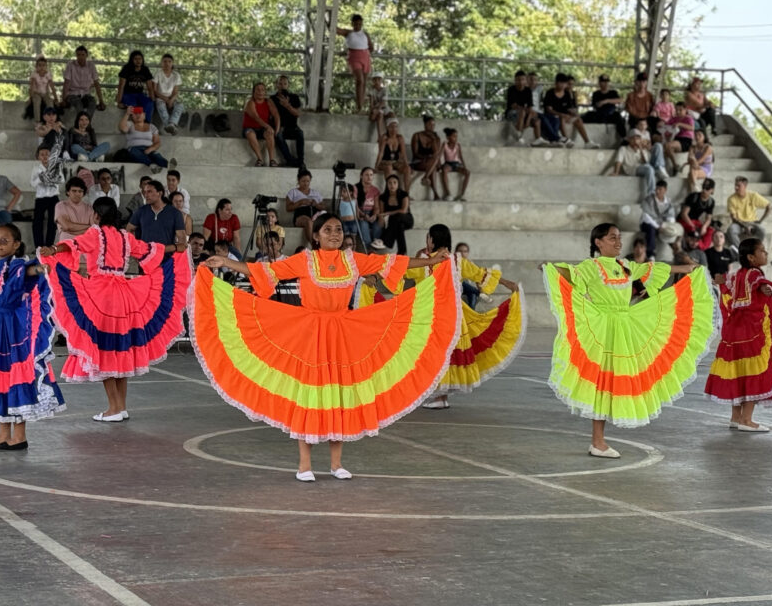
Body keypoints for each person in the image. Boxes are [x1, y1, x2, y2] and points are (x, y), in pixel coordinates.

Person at [189, 212, 459, 481]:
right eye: (327, 229)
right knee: (309, 398)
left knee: (338, 397)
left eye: (338, 229)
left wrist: (432, 260)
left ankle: (336, 463)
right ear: (315, 236)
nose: (334, 234)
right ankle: (304, 465)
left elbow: (392, 262)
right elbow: (263, 271)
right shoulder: (304, 261)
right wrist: (225, 261)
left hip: (343, 335)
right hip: (310, 336)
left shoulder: (352, 259)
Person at [542, 222, 715, 458]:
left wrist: (687, 269)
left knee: (616, 381)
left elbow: (653, 269)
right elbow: (570, 274)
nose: (618, 242)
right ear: (598, 242)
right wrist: (550, 269)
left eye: (619, 238)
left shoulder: (625, 266)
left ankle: (599, 441)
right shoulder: (591, 266)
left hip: (625, 326)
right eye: (612, 238)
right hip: (603, 328)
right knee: (602, 383)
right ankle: (598, 441)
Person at [39, 197, 191, 421]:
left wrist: (52, 249)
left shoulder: (95, 234)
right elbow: (150, 249)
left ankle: (113, 408)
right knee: (120, 349)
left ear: (96, 216)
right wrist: (176, 247)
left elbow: (72, 245)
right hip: (125, 295)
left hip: (101, 296)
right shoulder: (125, 237)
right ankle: (121, 406)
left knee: (105, 350)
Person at [0, 222, 65, 450]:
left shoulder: (18, 265)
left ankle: (19, 436)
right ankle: (2, 433)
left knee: (15, 376)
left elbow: (30, 271)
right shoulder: (0, 265)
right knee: (0, 378)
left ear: (16, 244)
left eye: (3, 241)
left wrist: (42, 267)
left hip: (13, 330)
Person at [407, 225, 525, 410]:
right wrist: (506, 282)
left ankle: (436, 395)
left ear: (432, 239)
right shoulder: (457, 260)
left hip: (430, 315)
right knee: (447, 354)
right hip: (454, 315)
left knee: (431, 354)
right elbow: (481, 274)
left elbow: (403, 271)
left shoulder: (423, 260)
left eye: (428, 237)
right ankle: (440, 396)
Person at [705, 237, 772, 430]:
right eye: (762, 250)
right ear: (752, 258)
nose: (766, 253)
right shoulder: (754, 274)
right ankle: (747, 420)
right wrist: (764, 288)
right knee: (754, 371)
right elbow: (759, 284)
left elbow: (726, 286)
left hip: (735, 332)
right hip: (752, 332)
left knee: (739, 372)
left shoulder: (738, 274)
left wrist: (721, 281)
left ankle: (736, 418)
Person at [609, 129, 668, 200]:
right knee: (649, 169)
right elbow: (619, 161)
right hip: (634, 169)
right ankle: (651, 194)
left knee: (658, 145)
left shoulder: (642, 149)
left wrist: (640, 149)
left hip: (646, 166)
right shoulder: (623, 149)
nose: (635, 140)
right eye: (633, 138)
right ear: (629, 140)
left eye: (637, 138)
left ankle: (660, 167)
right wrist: (616, 172)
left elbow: (645, 162)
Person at [126, 179, 186, 246]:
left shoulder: (175, 213)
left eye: (149, 192)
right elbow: (129, 229)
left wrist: (167, 249)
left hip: (166, 255)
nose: (146, 195)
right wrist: (136, 246)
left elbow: (182, 240)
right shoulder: (141, 211)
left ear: (160, 193)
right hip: (146, 255)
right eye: (145, 192)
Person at [337, 14, 373, 111]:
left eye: (360, 24)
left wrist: (367, 52)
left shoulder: (365, 34)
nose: (358, 26)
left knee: (365, 82)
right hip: (354, 57)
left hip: (365, 57)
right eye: (356, 24)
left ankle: (361, 106)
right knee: (359, 80)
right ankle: (359, 107)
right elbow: (336, 30)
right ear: (352, 24)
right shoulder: (349, 33)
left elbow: (371, 46)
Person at [61, 45, 107, 122]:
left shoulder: (91, 65)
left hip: (85, 94)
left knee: (92, 102)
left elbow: (96, 83)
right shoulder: (71, 65)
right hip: (72, 93)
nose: (80, 57)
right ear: (76, 56)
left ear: (86, 55)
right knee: (78, 104)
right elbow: (66, 83)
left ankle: (85, 124)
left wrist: (101, 100)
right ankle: (83, 126)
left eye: (83, 55)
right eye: (78, 55)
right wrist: (64, 99)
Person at [241, 82, 280, 167]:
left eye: (262, 90)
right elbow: (256, 117)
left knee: (270, 134)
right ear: (253, 92)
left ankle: (272, 160)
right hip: (250, 128)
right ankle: (260, 159)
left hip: (261, 129)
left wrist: (277, 130)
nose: (260, 92)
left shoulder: (268, 102)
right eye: (257, 90)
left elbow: (276, 114)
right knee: (250, 133)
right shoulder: (250, 102)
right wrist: (268, 126)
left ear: (265, 92)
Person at [30, 146, 62, 249]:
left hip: (53, 197)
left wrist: (52, 177)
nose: (45, 157)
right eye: (42, 155)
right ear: (38, 156)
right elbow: (32, 184)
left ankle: (49, 245)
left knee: (53, 223)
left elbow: (62, 180)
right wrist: (41, 178)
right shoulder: (36, 169)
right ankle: (38, 246)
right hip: (40, 198)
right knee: (37, 222)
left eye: (47, 154)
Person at [118, 106, 168, 171]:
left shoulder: (152, 126)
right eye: (135, 113)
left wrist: (151, 149)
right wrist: (127, 114)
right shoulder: (130, 124)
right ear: (132, 116)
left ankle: (168, 166)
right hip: (134, 149)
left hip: (148, 149)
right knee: (133, 152)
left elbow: (157, 142)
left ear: (144, 115)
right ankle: (151, 164)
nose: (138, 115)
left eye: (140, 113)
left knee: (157, 155)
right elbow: (122, 128)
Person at [638, 180, 678, 259]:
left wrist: (667, 225)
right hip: (647, 223)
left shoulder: (668, 202)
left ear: (665, 190)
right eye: (656, 189)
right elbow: (646, 216)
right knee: (651, 230)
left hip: (662, 224)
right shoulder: (649, 199)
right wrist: (657, 227)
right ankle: (650, 254)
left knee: (672, 231)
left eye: (660, 189)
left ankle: (676, 251)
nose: (657, 191)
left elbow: (671, 216)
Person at [727, 176, 771, 247]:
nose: (736, 188)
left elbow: (769, 206)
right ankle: (740, 251)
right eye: (735, 185)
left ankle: (755, 249)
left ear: (745, 186)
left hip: (752, 222)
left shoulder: (753, 195)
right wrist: (745, 226)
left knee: (762, 230)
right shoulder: (731, 199)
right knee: (731, 230)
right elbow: (733, 218)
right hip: (739, 223)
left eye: (738, 186)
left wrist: (760, 221)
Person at [271, 75, 305, 168]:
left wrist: (287, 106)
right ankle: (290, 160)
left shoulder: (294, 97)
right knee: (279, 135)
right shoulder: (272, 99)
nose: (282, 86)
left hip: (292, 127)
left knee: (300, 133)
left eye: (285, 84)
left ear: (288, 85)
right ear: (276, 85)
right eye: (280, 83)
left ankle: (301, 161)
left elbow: (298, 113)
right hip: (279, 127)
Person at [505, 70, 544, 146]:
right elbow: (514, 106)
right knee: (522, 112)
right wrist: (524, 110)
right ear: (515, 81)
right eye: (518, 80)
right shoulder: (511, 90)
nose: (520, 82)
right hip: (512, 113)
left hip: (525, 113)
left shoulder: (528, 91)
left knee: (537, 120)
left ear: (525, 80)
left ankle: (538, 139)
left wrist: (527, 121)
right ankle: (519, 136)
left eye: (522, 79)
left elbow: (530, 107)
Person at [581, 74, 625, 140]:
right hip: (600, 115)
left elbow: (620, 100)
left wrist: (606, 101)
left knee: (618, 117)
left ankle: (624, 138)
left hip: (611, 115)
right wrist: (600, 104)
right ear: (600, 83)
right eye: (604, 82)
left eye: (607, 82)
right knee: (588, 115)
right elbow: (596, 105)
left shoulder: (613, 92)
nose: (606, 83)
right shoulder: (596, 94)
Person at [285, 169, 324, 243]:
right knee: (308, 222)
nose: (306, 184)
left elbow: (324, 207)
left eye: (308, 181)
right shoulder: (293, 192)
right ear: (298, 180)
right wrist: (300, 202)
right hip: (300, 215)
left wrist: (316, 204)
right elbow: (288, 208)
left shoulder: (315, 193)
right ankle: (313, 245)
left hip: (315, 214)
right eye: (303, 181)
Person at [377, 173, 412, 255]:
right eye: (390, 183)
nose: (392, 185)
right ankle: (402, 252)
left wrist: (389, 213)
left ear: (398, 184)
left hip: (406, 219)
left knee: (397, 216)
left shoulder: (403, 194)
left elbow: (404, 210)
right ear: (387, 184)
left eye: (394, 182)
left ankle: (385, 240)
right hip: (394, 222)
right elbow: (382, 213)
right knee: (399, 226)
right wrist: (381, 219)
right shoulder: (383, 197)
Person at [410, 115, 443, 200]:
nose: (432, 127)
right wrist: (425, 158)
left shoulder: (436, 138)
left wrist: (433, 140)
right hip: (418, 162)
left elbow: (436, 153)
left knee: (434, 165)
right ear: (425, 125)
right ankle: (434, 192)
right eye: (430, 124)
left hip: (430, 163)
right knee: (433, 165)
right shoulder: (416, 135)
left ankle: (426, 178)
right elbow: (415, 153)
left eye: (433, 125)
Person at [115, 50, 155, 120]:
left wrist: (153, 99)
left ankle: (146, 123)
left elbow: (150, 87)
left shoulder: (145, 69)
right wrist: (119, 102)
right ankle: (138, 123)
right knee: (133, 106)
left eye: (140, 59)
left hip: (140, 94)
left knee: (149, 103)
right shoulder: (126, 68)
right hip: (128, 94)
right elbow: (121, 86)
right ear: (132, 60)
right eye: (135, 59)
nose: (138, 61)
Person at [54, 177, 95, 244]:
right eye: (74, 191)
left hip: (84, 246)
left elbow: (93, 230)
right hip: (66, 246)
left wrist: (71, 229)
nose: (77, 194)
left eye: (80, 191)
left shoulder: (89, 208)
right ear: (68, 192)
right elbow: (67, 226)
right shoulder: (60, 206)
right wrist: (88, 226)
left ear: (83, 193)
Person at [152, 53, 184, 135]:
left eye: (169, 61)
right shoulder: (158, 73)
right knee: (160, 105)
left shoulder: (176, 75)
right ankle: (169, 126)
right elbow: (155, 91)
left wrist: (171, 100)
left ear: (172, 63)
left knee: (180, 105)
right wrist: (165, 99)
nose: (167, 63)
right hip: (160, 97)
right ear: (161, 63)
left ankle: (172, 124)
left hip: (171, 98)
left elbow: (176, 92)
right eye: (165, 61)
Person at [375, 119, 411, 189]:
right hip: (385, 162)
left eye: (395, 127)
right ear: (387, 127)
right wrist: (376, 166)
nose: (394, 129)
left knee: (407, 169)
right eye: (391, 127)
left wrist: (406, 165)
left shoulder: (400, 138)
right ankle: (391, 191)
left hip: (395, 162)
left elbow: (403, 154)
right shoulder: (384, 137)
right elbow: (381, 153)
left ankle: (407, 193)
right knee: (389, 167)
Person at [353, 167, 383, 248]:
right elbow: (354, 205)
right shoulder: (355, 188)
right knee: (363, 225)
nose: (369, 177)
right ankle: (369, 248)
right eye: (366, 175)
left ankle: (376, 245)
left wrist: (374, 215)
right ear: (361, 176)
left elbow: (376, 207)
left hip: (371, 213)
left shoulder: (375, 190)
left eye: (371, 175)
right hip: (359, 213)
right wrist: (363, 215)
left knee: (378, 226)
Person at [439, 128, 470, 202]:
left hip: (456, 164)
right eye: (453, 136)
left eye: (456, 136)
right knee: (444, 170)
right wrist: (439, 165)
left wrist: (464, 167)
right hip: (448, 164)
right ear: (448, 137)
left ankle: (462, 194)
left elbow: (460, 157)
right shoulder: (445, 144)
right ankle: (448, 193)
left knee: (468, 172)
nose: (455, 138)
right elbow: (439, 156)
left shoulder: (458, 145)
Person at [25, 56, 58, 122]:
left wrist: (56, 98)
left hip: (45, 93)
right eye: (39, 65)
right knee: (37, 102)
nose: (41, 67)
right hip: (36, 93)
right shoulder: (35, 74)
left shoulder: (48, 74)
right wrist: (30, 98)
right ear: (36, 67)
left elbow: (52, 86)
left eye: (43, 65)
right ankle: (37, 122)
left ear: (46, 66)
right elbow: (32, 87)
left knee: (50, 103)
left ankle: (50, 121)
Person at [367, 74, 394, 139]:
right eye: (375, 80)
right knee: (380, 115)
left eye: (379, 80)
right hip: (376, 108)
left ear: (381, 81)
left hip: (384, 107)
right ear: (373, 81)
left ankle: (392, 135)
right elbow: (371, 102)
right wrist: (372, 110)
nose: (377, 82)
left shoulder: (385, 90)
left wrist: (377, 110)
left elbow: (383, 102)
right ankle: (380, 136)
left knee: (392, 115)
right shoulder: (372, 90)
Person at [686, 128, 713, 193]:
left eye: (699, 135)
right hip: (695, 167)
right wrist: (692, 158)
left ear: (704, 137)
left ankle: (694, 189)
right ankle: (695, 187)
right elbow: (689, 160)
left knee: (691, 173)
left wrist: (694, 160)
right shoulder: (692, 147)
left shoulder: (708, 147)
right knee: (692, 170)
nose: (697, 137)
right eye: (696, 135)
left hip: (706, 169)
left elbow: (701, 160)